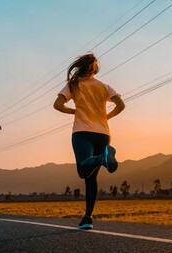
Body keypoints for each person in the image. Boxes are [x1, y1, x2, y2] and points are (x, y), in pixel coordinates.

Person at [53, 53, 125, 230]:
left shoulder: (74, 85)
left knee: (83, 171)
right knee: (91, 178)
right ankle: (87, 218)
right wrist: (105, 117)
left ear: (81, 66)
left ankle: (102, 158)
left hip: (82, 132)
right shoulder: (104, 86)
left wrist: (74, 112)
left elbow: (57, 105)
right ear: (95, 69)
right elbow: (121, 105)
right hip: (103, 133)